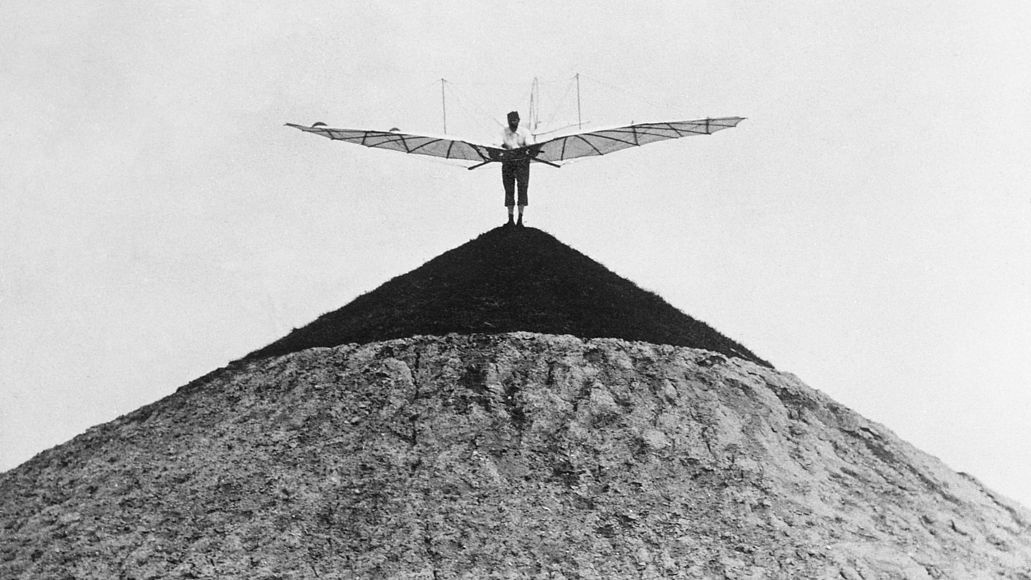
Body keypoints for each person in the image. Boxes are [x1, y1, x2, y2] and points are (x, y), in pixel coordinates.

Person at [500, 111, 532, 227]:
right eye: (511, 121)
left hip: (522, 163)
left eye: (515, 120)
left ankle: (520, 219)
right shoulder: (503, 132)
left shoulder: (525, 132)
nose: (513, 123)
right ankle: (510, 219)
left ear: (518, 120)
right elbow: (496, 144)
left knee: (522, 187)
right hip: (508, 163)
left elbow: (530, 145)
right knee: (509, 189)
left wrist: (526, 148)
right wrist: (502, 147)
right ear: (508, 121)